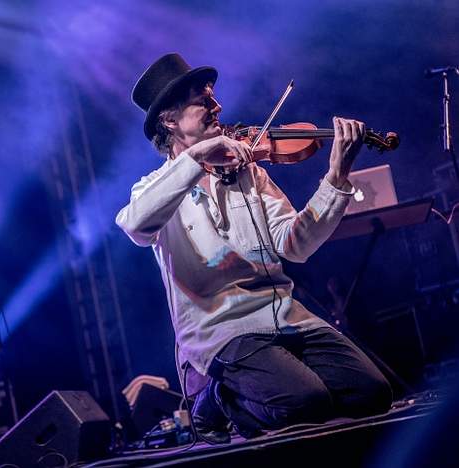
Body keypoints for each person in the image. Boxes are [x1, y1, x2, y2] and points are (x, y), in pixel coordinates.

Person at [116, 53, 392, 442]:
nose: (218, 106)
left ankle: (246, 393)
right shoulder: (154, 189)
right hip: (223, 330)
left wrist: (335, 177)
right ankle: (219, 397)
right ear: (170, 120)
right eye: (203, 100)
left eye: (214, 96)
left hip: (286, 316)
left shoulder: (250, 173)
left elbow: (295, 245)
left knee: (372, 393)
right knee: (306, 403)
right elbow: (134, 224)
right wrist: (196, 157)